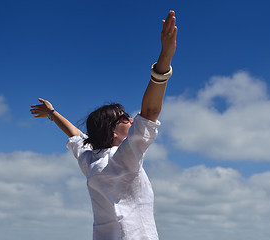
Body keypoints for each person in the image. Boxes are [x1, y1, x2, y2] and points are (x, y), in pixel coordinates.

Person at [30, 10, 177, 240]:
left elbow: (76, 135)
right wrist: (165, 56)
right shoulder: (125, 157)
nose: (131, 119)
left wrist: (52, 113)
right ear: (112, 130)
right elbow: (150, 112)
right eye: (125, 117)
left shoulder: (90, 160)